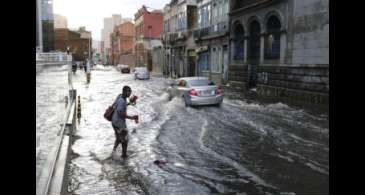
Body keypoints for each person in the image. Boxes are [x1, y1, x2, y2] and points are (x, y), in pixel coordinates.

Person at [111, 86, 138, 158]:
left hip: (114, 121)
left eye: (130, 91)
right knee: (125, 140)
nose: (129, 93)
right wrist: (132, 117)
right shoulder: (122, 100)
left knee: (118, 138)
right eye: (128, 91)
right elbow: (121, 113)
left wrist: (129, 103)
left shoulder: (120, 96)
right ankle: (124, 155)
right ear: (124, 91)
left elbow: (119, 106)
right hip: (119, 123)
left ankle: (113, 151)